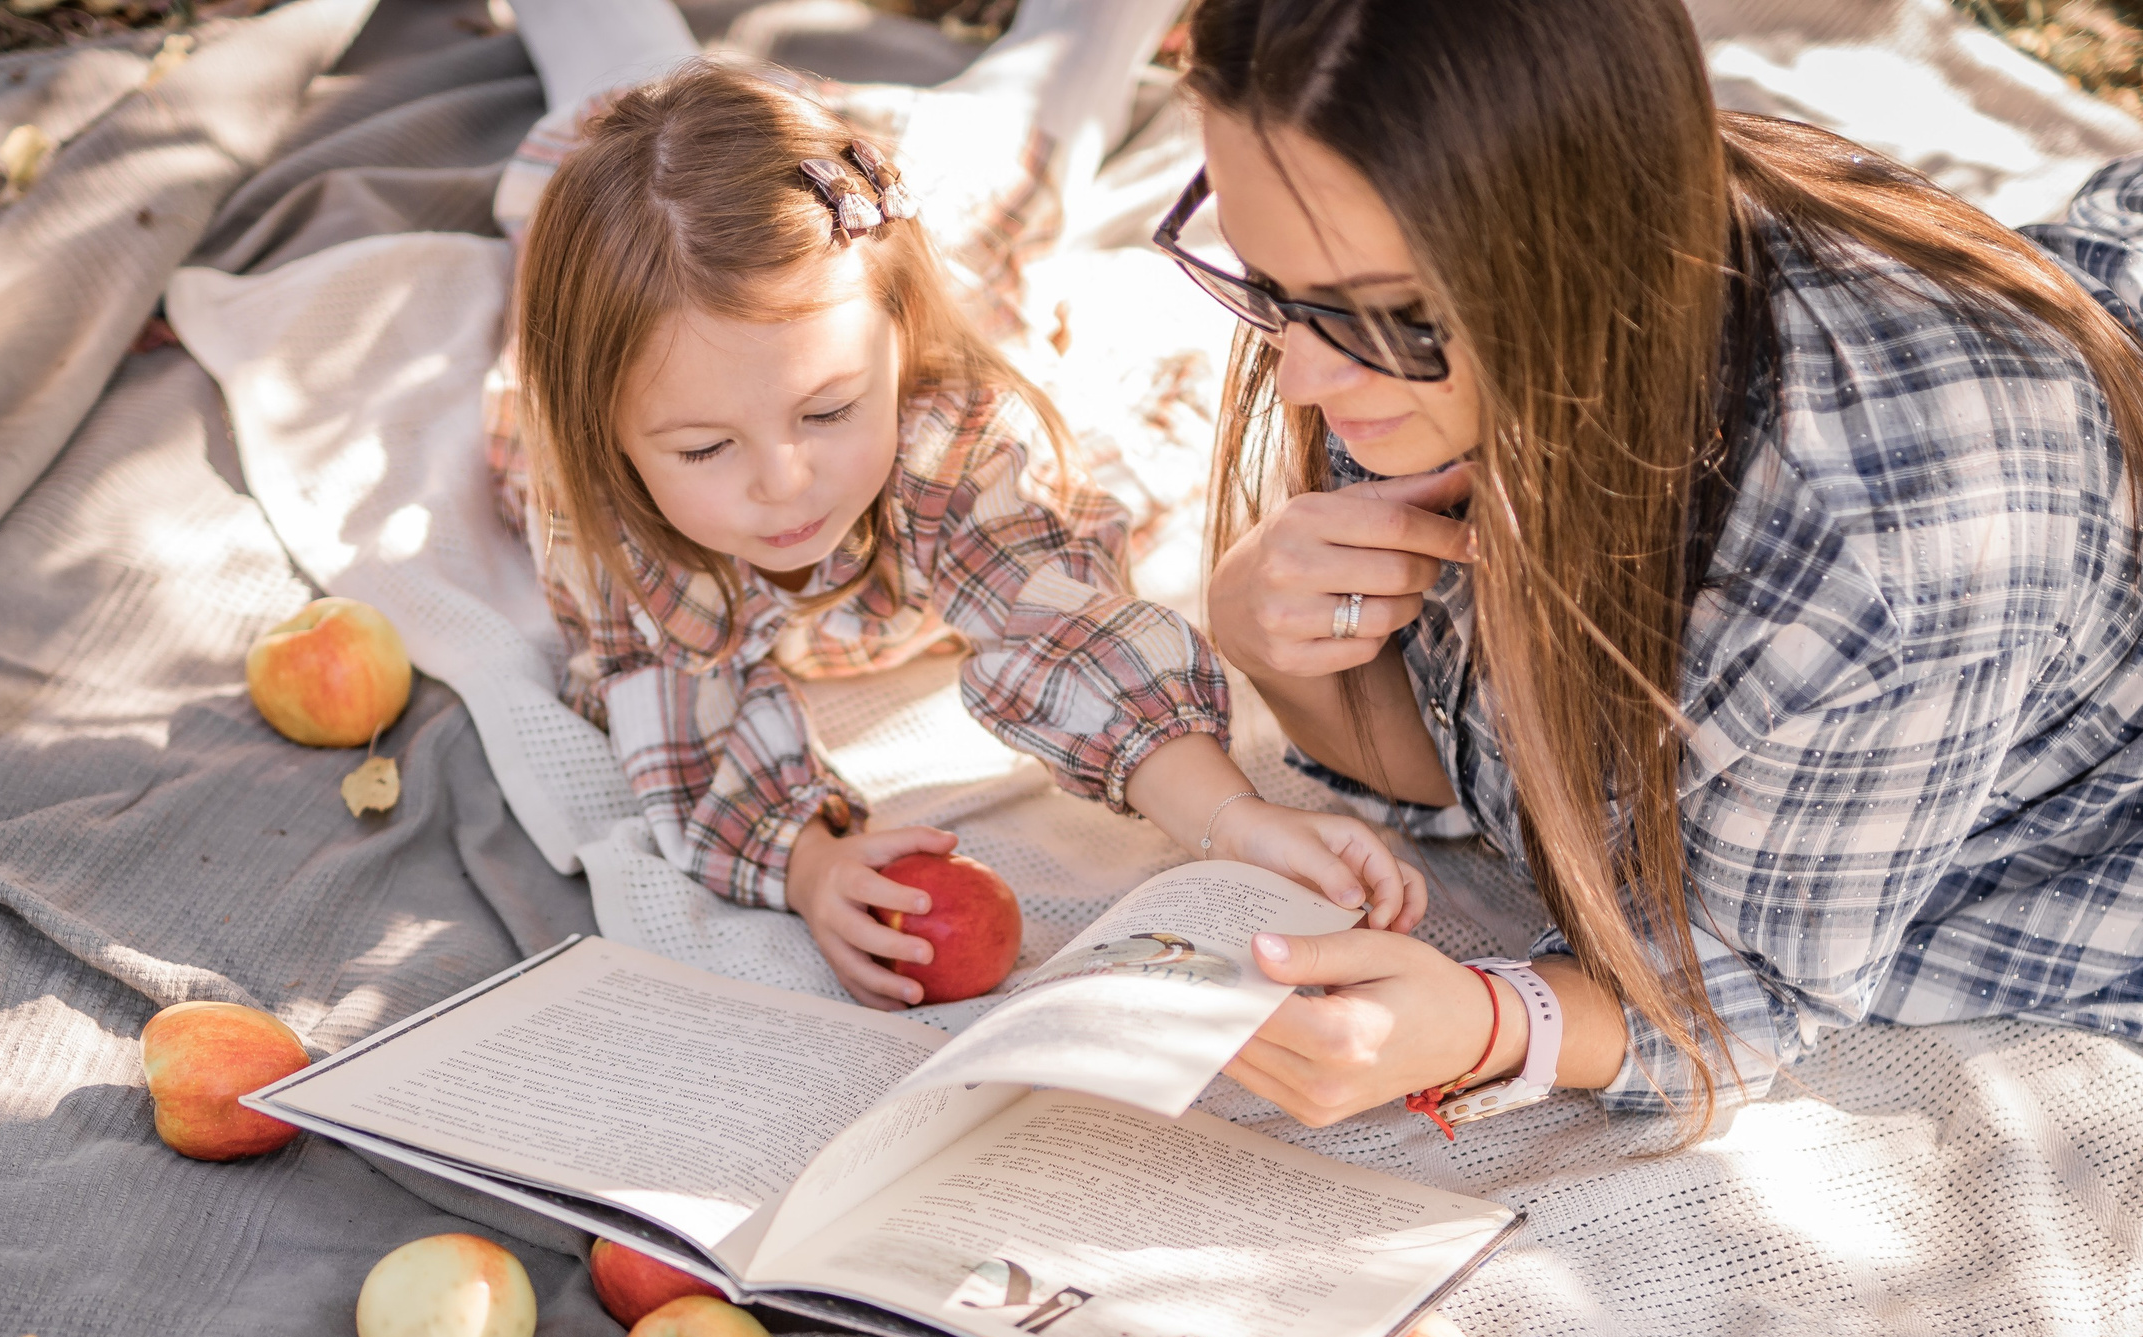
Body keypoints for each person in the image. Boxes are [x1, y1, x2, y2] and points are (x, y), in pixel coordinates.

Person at [1162, 0, 2143, 1131]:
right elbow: (1476, 772)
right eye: (1267, 283)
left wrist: (1493, 1021)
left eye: (1385, 317)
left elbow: (1749, 992)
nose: (1298, 380)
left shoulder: (1890, 559)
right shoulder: (1399, 299)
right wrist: (1270, 647)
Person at [487, 49, 1428, 1009]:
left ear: (897, 344)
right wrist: (809, 866)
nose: (785, 482)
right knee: (582, 132)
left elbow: (1057, 622)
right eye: (702, 449)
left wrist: (1233, 817)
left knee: (1016, 168)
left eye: (828, 412)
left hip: (847, 209)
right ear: (609, 435)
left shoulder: (951, 434)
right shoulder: (598, 512)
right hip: (623, 222)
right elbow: (681, 724)